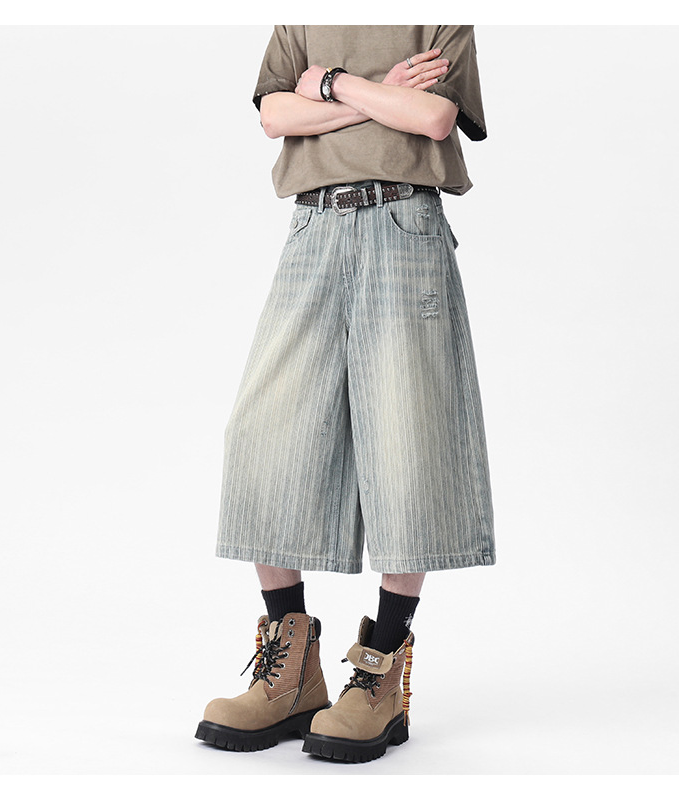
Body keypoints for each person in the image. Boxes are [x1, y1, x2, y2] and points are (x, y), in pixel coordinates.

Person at [195, 25, 496, 763]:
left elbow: (433, 118)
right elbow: (274, 117)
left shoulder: (439, 18)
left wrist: (330, 86)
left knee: (405, 435)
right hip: (313, 226)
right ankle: (291, 669)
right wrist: (381, 94)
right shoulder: (299, 18)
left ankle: (380, 669)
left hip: (405, 224)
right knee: (262, 431)